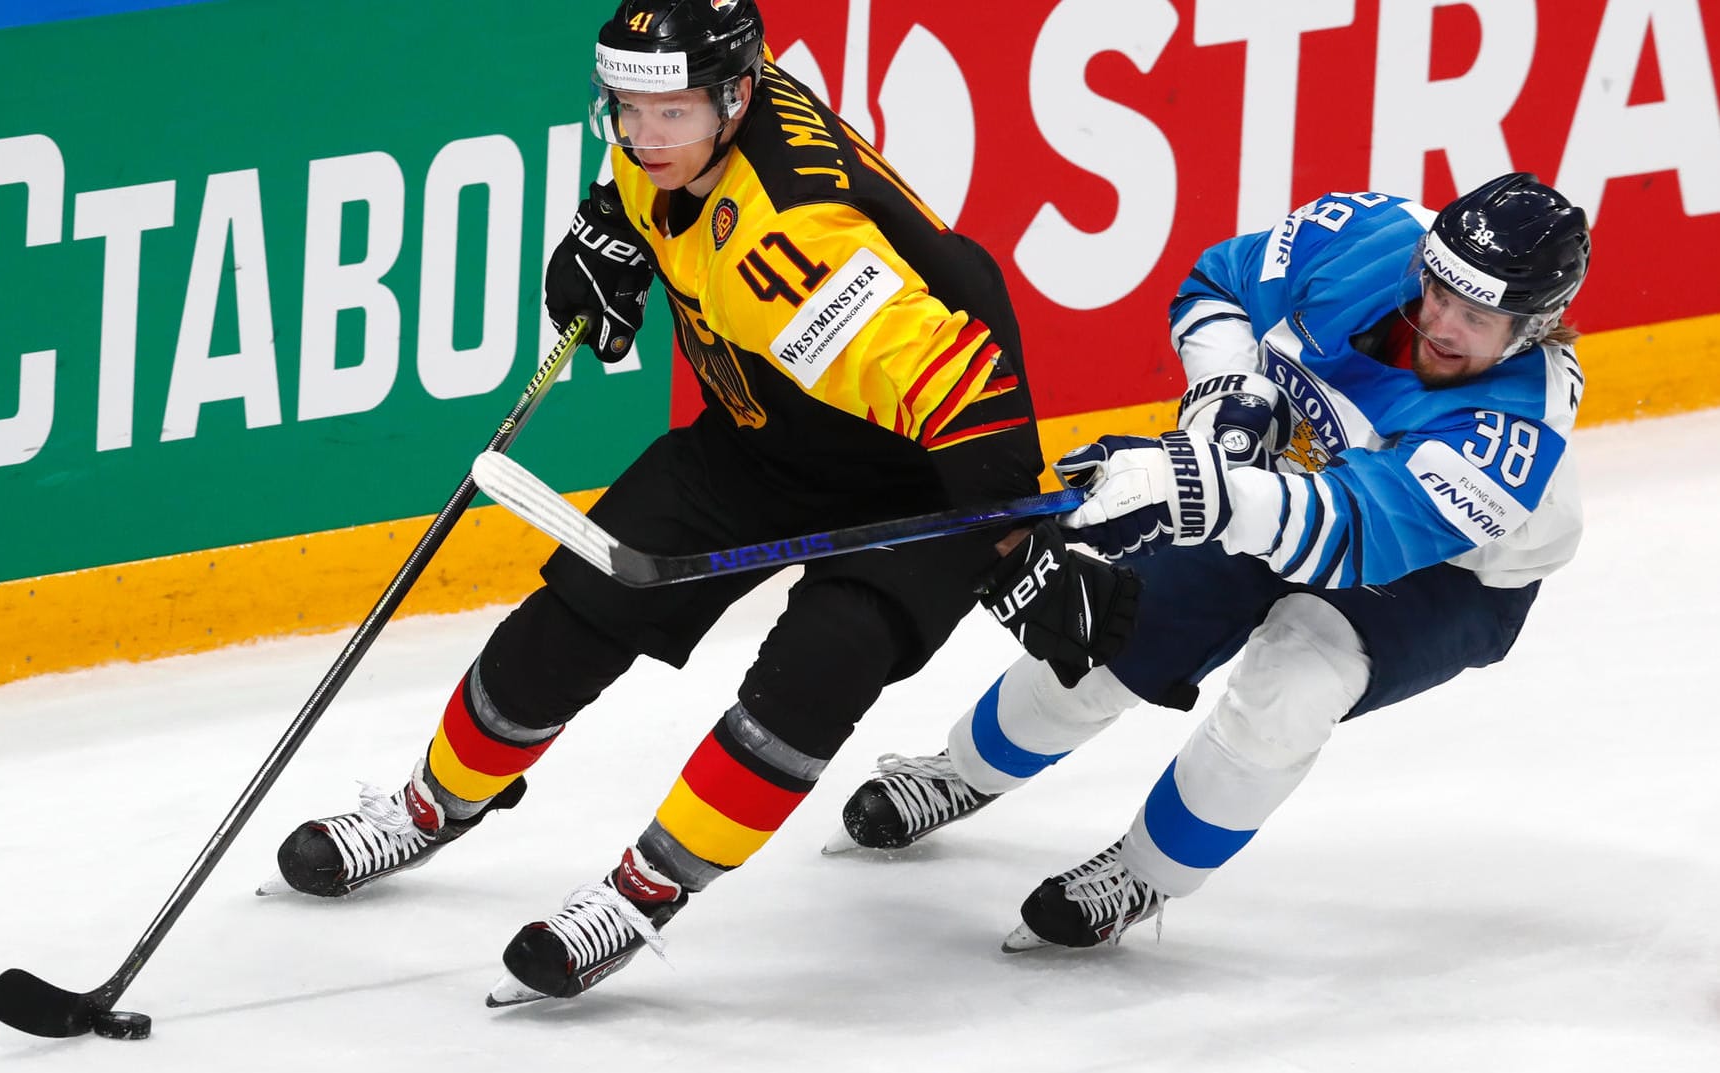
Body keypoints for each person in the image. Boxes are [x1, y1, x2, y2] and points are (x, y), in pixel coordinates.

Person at [269, 0, 1136, 1005]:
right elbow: (643, 180)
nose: (643, 137)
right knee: (572, 615)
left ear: (732, 99)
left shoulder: (790, 244)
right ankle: (431, 804)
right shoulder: (681, 138)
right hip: (760, 430)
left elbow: (962, 380)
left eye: (669, 115)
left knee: (818, 664)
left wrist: (1014, 548)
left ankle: (642, 890)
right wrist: (608, 233)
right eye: (625, 112)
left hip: (926, 470)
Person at [829, 173, 1592, 952]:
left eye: (1475, 316)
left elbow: (1358, 530)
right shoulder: (1367, 234)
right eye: (1437, 293)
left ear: (1533, 327)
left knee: (1294, 679)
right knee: (1120, 626)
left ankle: (1144, 871)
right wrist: (1226, 411)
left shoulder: (1516, 423)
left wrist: (1209, 492)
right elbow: (1218, 284)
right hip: (1288, 481)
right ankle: (963, 770)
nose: (1440, 323)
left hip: (1443, 574)